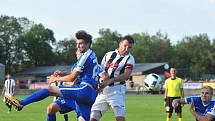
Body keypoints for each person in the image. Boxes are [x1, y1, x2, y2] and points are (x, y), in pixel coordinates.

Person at [5, 30, 98, 121]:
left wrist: (54, 79)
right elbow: (81, 75)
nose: (78, 46)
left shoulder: (84, 57)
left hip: (84, 90)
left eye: (80, 44)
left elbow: (72, 78)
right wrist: (62, 75)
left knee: (49, 89)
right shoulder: (92, 55)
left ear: (88, 44)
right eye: (77, 44)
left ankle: (21, 103)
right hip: (90, 95)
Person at [90, 35, 135, 121]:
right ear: (120, 44)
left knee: (120, 119)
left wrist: (110, 80)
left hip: (117, 91)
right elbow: (100, 69)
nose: (126, 49)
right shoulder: (109, 54)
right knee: (93, 118)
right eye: (125, 46)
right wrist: (101, 82)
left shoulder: (129, 58)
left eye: (129, 47)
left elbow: (126, 75)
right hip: (103, 91)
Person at [46, 50, 82, 121]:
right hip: (72, 97)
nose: (80, 55)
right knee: (51, 108)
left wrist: (57, 78)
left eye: (82, 53)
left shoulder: (89, 66)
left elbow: (72, 81)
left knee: (83, 118)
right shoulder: (75, 66)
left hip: (83, 97)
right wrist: (60, 75)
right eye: (78, 53)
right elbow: (71, 77)